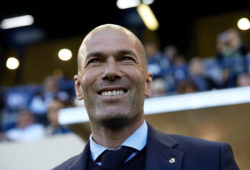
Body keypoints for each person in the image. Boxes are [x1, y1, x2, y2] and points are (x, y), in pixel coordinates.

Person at [52, 24, 239, 170]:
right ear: (78, 88)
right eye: (95, 61)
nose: (111, 71)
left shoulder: (212, 161)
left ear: (148, 84)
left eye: (126, 59)